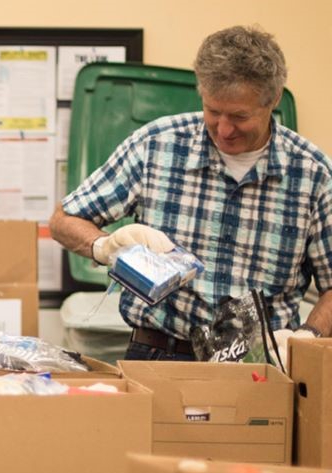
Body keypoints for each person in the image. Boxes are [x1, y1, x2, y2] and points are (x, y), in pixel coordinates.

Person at [51, 25, 332, 368]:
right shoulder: (157, 145)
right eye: (213, 112)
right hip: (158, 354)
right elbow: (65, 220)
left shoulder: (312, 173)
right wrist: (104, 247)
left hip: (261, 367)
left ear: (273, 100)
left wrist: (307, 338)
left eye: (240, 116)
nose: (224, 130)